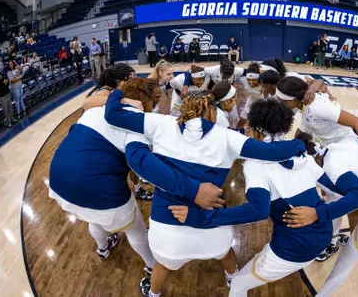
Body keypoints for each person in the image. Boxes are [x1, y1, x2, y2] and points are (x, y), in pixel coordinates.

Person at [103, 88, 307, 297]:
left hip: (167, 232)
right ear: (211, 112)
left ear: (184, 107)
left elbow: (112, 115)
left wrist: (117, 92)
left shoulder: (160, 123)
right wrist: (299, 144)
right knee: (226, 252)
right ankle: (231, 277)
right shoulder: (227, 137)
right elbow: (271, 152)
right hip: (212, 229)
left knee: (162, 265)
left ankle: (154, 294)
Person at [169, 100, 358, 297]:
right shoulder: (300, 153)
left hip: (295, 247)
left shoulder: (255, 164)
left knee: (238, 284)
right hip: (322, 234)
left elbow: (258, 210)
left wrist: (199, 218)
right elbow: (351, 193)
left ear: (258, 129)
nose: (246, 128)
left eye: (250, 125)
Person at [50, 76, 226, 286]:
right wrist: (192, 190)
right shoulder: (135, 121)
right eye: (156, 98)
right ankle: (152, 265)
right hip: (100, 192)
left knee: (93, 216)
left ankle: (103, 248)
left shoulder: (96, 109)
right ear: (145, 100)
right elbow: (141, 163)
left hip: (58, 183)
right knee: (135, 229)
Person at [284, 133, 358, 296]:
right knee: (342, 205)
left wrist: (316, 214)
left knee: (345, 261)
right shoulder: (333, 146)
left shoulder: (332, 168)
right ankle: (347, 238)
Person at [276, 76, 358, 167]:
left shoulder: (317, 107)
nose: (280, 104)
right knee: (303, 142)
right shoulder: (304, 105)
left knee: (323, 170)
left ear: (290, 101)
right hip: (330, 142)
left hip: (344, 144)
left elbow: (357, 122)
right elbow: (317, 81)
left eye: (281, 101)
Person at [238, 63, 262, 127]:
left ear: (259, 78)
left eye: (254, 80)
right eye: (249, 79)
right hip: (250, 102)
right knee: (241, 122)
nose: (251, 82)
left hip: (263, 106)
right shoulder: (243, 79)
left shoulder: (264, 83)